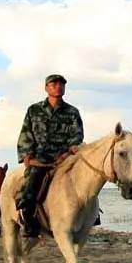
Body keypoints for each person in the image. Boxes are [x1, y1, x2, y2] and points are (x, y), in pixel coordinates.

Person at [17, 73, 84, 238]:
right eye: (54, 84)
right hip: (41, 158)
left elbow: (77, 136)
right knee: (30, 185)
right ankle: (29, 221)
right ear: (47, 88)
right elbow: (26, 133)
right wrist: (27, 155)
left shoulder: (72, 112)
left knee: (86, 179)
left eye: (61, 84)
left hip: (65, 156)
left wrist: (68, 151)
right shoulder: (34, 110)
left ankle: (90, 216)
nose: (58, 87)